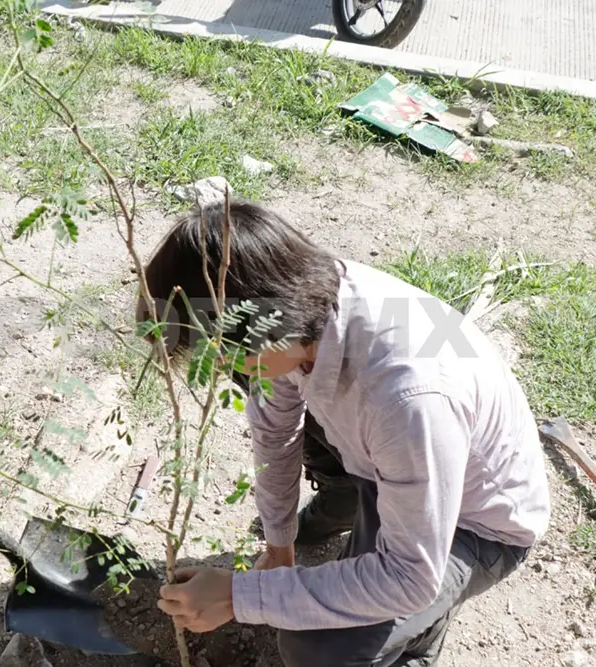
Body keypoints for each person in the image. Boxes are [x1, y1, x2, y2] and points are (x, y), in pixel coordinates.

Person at [139, 202, 551, 666]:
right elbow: (275, 431)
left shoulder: (407, 397)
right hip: (406, 465)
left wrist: (238, 595)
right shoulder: (304, 301)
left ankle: (419, 638)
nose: (222, 371)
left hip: (478, 524)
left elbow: (408, 577)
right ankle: (358, 521)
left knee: (316, 650)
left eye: (227, 358)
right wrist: (279, 546)